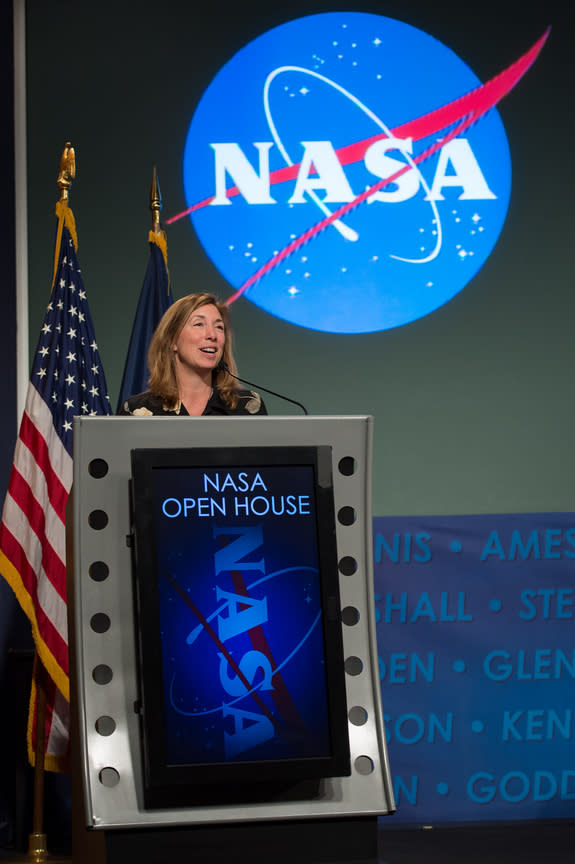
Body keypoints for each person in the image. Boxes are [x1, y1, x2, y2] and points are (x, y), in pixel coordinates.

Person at [118, 292, 267, 416]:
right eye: (199, 324)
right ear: (172, 340)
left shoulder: (248, 406)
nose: (212, 335)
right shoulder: (137, 411)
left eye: (219, 327)